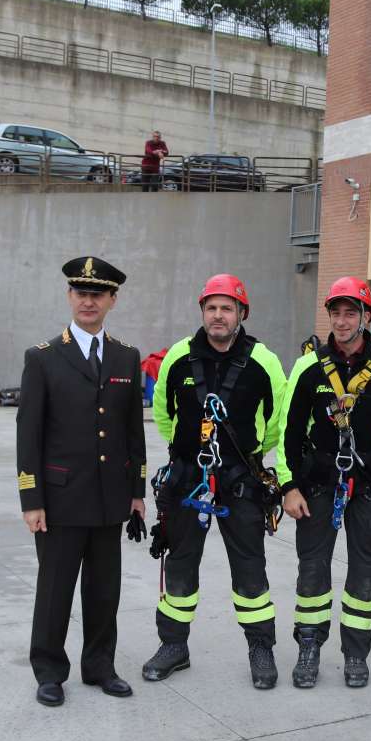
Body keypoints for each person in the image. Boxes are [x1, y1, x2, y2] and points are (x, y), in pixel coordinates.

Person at [141, 275, 287, 689]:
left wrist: (251, 453)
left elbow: (278, 419)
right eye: (211, 308)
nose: (218, 315)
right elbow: (165, 415)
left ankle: (261, 648)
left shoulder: (264, 360)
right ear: (202, 312)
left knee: (250, 568)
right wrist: (188, 454)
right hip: (189, 477)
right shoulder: (179, 358)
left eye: (227, 308)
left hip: (241, 479)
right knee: (181, 563)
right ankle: (173, 645)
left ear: (242, 313)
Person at [16, 256, 147, 707]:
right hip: (59, 498)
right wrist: (31, 498)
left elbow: (134, 432)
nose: (88, 300)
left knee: (104, 589)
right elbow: (28, 434)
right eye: (80, 292)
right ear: (70, 297)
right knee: (55, 589)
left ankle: (99, 666)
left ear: (112, 300)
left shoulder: (126, 357)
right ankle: (50, 670)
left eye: (97, 294)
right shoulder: (43, 358)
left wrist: (137, 493)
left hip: (110, 498)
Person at [277, 277, 371, 689]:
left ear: (367, 317)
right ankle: (309, 647)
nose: (341, 321)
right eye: (335, 313)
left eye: (350, 313)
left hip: (368, 488)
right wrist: (289, 487)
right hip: (317, 488)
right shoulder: (308, 368)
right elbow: (288, 432)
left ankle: (356, 653)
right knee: (312, 572)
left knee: (364, 574)